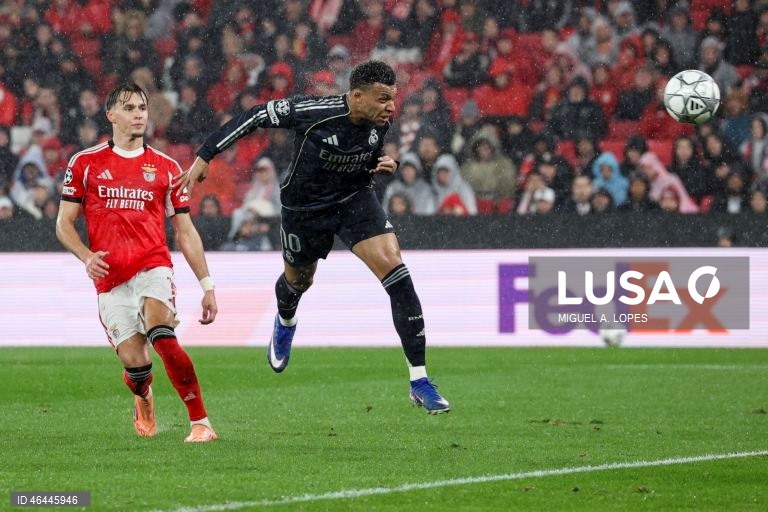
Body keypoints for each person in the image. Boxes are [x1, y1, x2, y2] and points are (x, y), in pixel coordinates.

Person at [174, 60, 450, 414]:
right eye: (383, 99)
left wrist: (386, 161)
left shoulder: (380, 118)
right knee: (298, 281)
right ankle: (286, 320)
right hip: (305, 210)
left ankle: (419, 380)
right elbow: (257, 115)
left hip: (354, 200)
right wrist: (206, 154)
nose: (391, 107)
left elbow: (367, 150)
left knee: (397, 273)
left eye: (393, 99)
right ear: (356, 96)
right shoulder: (313, 111)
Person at [56, 82, 219, 442]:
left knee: (162, 332)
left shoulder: (165, 167)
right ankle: (143, 395)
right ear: (110, 115)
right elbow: (63, 224)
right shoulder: (85, 163)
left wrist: (207, 285)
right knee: (137, 364)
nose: (139, 114)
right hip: (110, 279)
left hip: (153, 266)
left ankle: (201, 423)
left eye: (142, 108)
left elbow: (186, 231)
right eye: (129, 108)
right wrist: (86, 257)